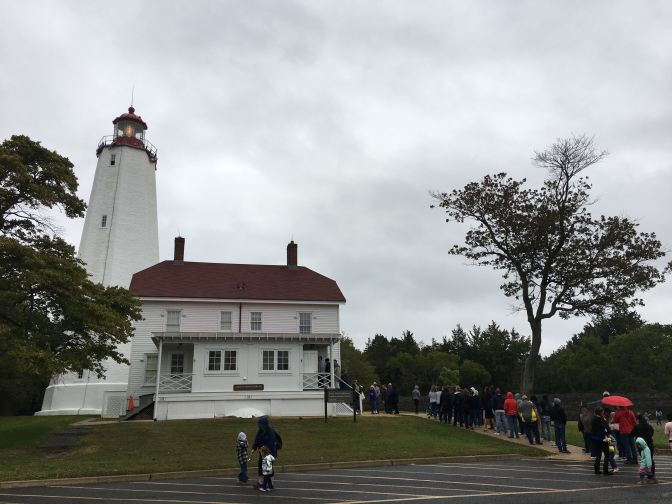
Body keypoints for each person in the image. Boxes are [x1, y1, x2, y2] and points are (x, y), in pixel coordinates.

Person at [252, 416, 279, 489]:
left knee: (268, 468)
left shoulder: (270, 432)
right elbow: (257, 439)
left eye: (261, 425)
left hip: (270, 452)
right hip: (262, 452)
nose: (260, 426)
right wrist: (254, 447)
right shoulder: (260, 431)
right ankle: (260, 483)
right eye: (259, 425)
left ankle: (270, 484)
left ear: (265, 425)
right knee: (260, 466)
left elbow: (271, 443)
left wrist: (265, 448)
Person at [591, 407, 612, 475]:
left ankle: (596, 469)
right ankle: (605, 470)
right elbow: (608, 429)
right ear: (601, 413)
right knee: (607, 454)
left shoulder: (593, 419)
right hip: (603, 438)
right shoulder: (602, 420)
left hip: (595, 439)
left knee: (598, 454)